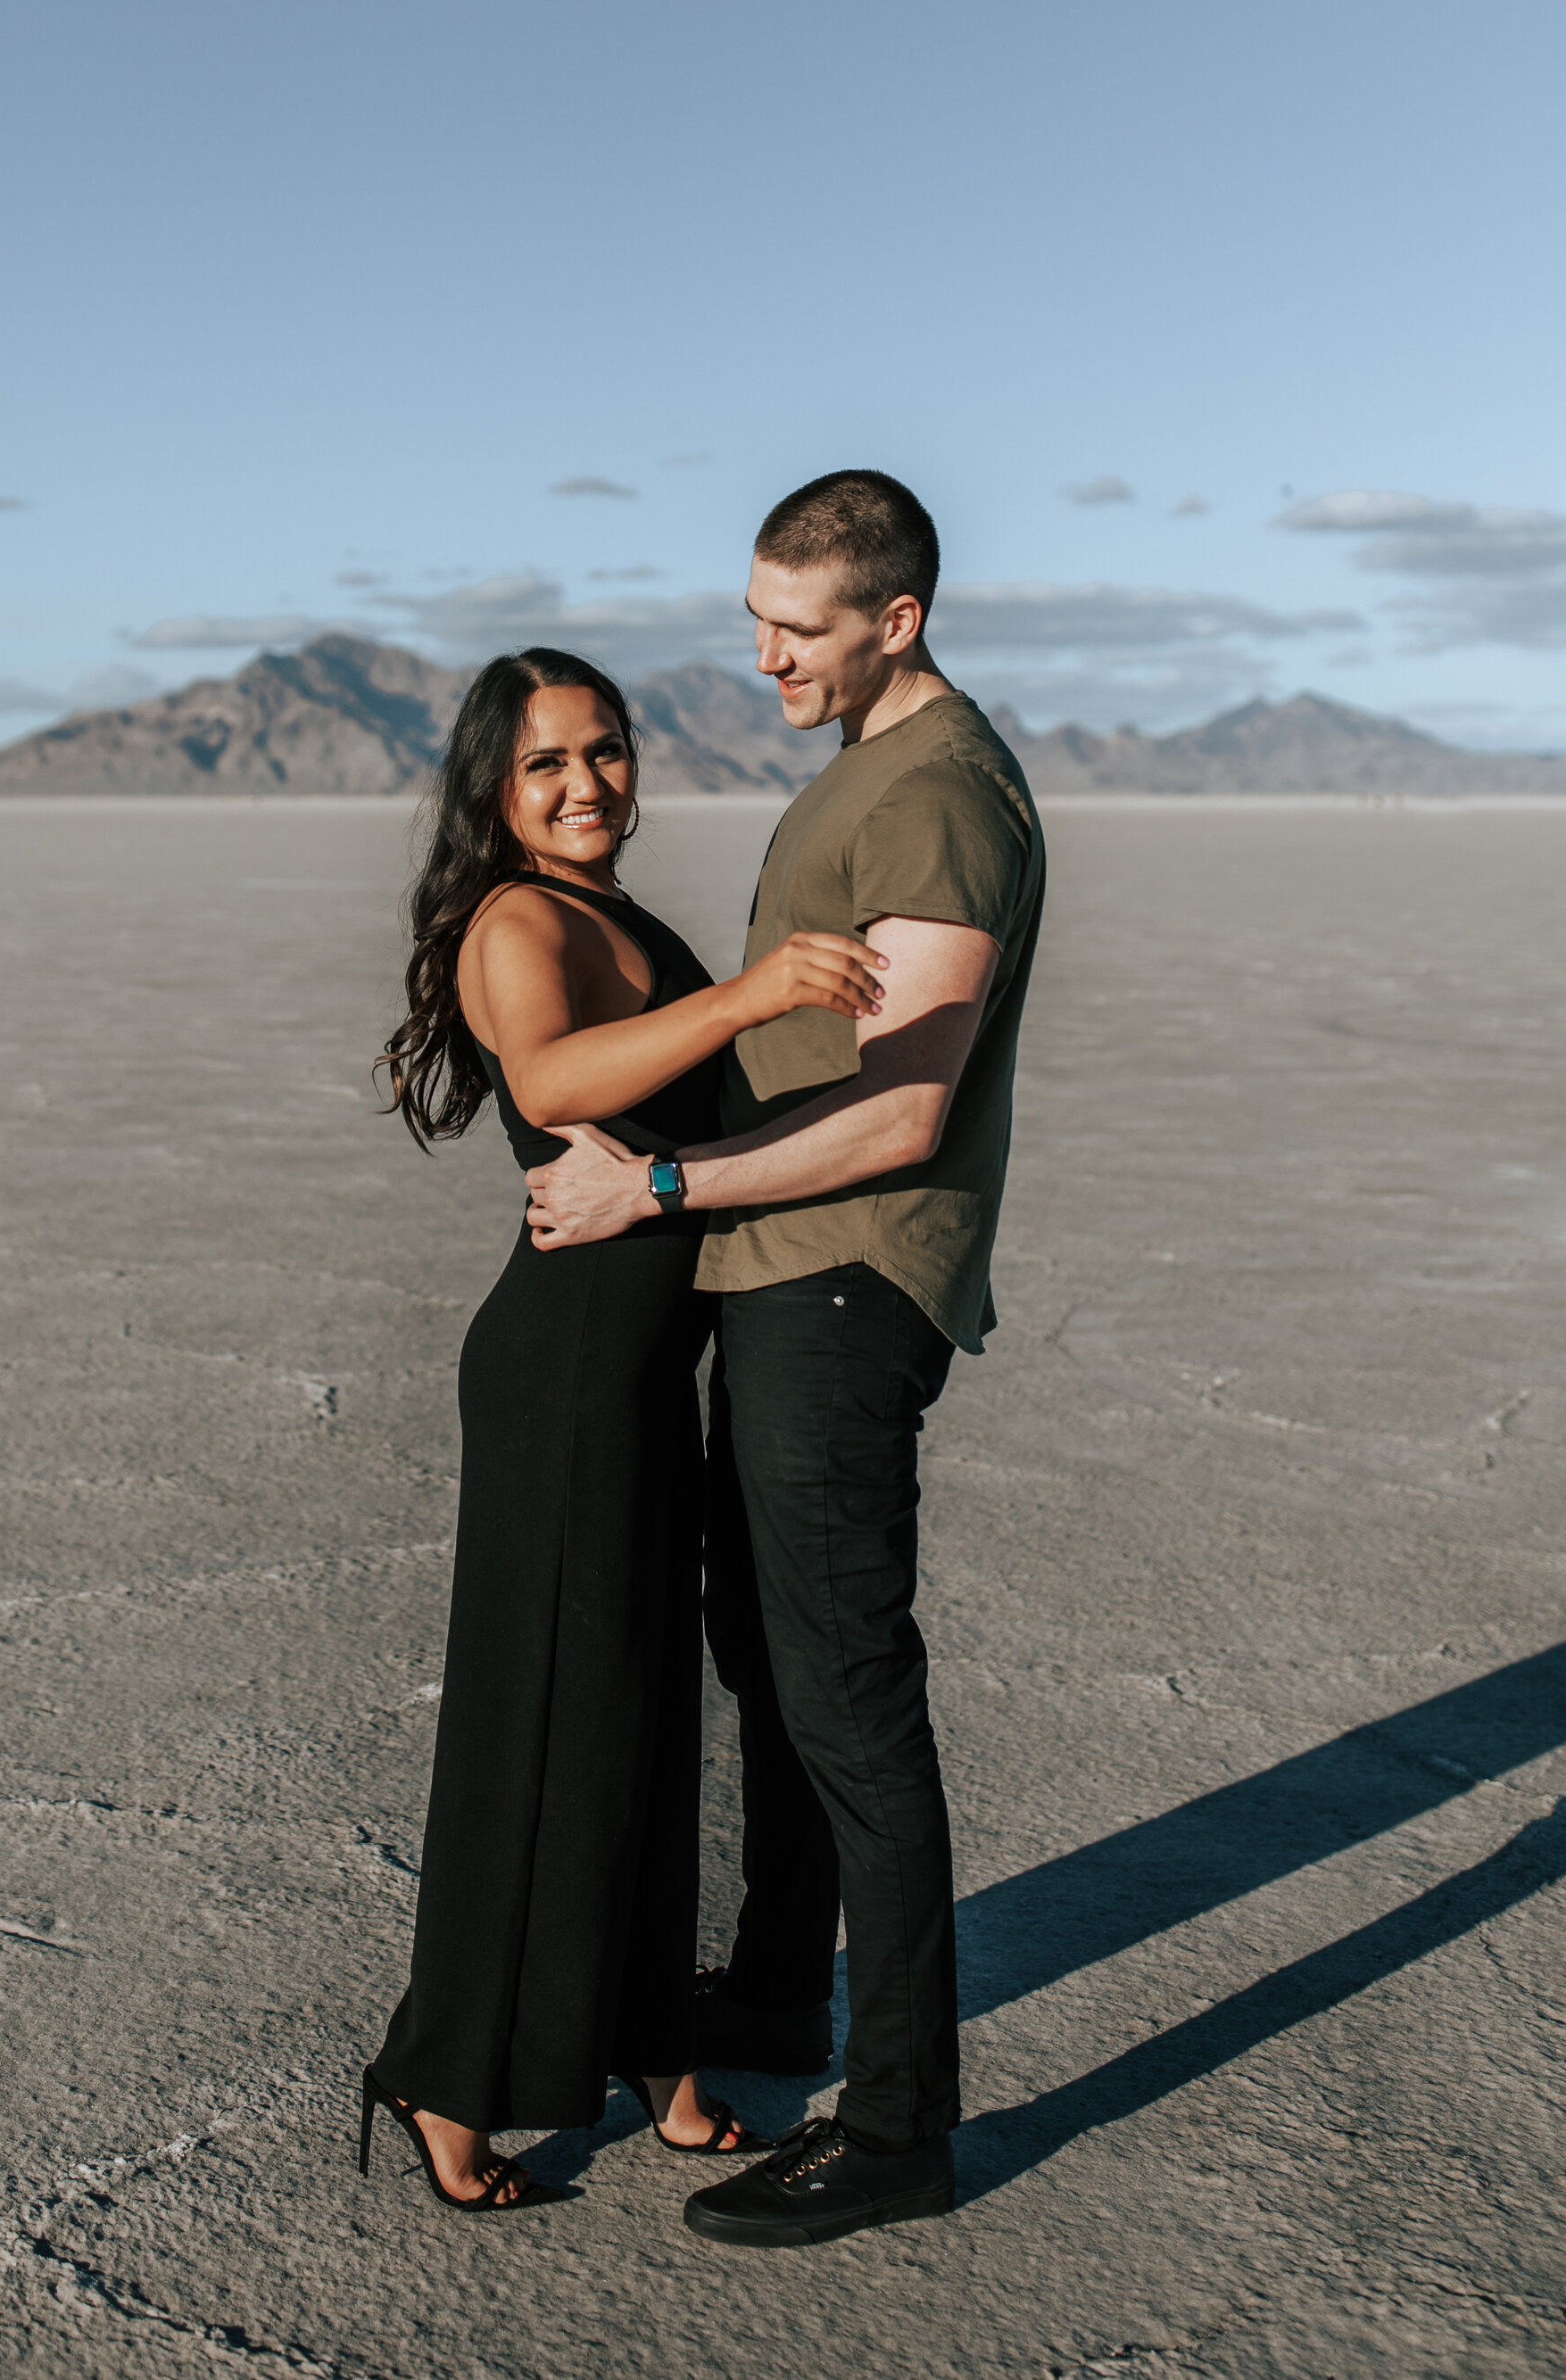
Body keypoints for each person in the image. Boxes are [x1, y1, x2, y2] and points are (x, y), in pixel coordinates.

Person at [525, 472, 1046, 2248]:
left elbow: (900, 1110)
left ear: (891, 620)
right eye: (752, 620)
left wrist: (655, 1184)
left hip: (840, 1287)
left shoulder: (940, 800)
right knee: (771, 1658)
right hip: (776, 1278)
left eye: (796, 629)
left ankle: (897, 2131)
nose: (759, 659)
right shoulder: (859, 779)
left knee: (844, 1702)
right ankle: (768, 2006)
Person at [361, 645, 889, 2213]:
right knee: (541, 1729)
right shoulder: (520, 919)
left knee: (647, 1729)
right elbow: (554, 1072)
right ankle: (447, 2078)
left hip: (644, 1377)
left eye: (607, 751)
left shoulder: (607, 910)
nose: (587, 784)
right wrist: (756, 989)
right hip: (565, 1379)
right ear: (493, 789)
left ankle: (657, 2058)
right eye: (547, 765)